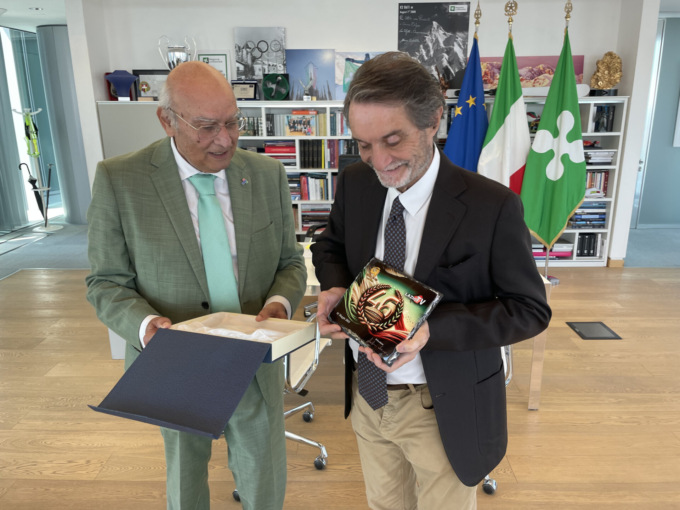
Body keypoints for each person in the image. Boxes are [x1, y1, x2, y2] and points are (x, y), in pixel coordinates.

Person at [311, 51, 551, 510]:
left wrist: (430, 330)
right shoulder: (357, 182)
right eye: (364, 144)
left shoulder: (491, 206)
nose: (379, 161)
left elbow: (529, 310)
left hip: (443, 404)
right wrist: (336, 287)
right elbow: (330, 246)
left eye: (393, 140)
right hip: (368, 393)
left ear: (434, 120)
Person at [86, 61, 306, 510]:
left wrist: (280, 303)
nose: (224, 140)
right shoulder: (120, 179)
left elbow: (290, 262)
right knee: (186, 479)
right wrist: (145, 325)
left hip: (254, 355)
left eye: (232, 122)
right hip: (175, 360)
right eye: (206, 127)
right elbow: (105, 282)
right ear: (167, 120)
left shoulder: (266, 174)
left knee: (264, 478)